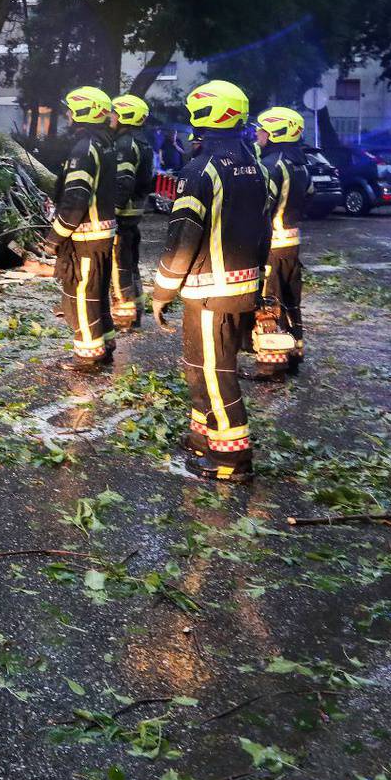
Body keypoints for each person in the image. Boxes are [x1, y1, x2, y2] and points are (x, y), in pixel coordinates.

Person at [150, 80, 272, 482]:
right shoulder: (255, 165)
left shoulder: (200, 171)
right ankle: (204, 437)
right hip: (240, 288)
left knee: (214, 374)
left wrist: (162, 289)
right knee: (203, 368)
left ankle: (231, 460)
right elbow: (265, 230)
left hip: (208, 292)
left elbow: (183, 236)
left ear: (204, 116)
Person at [47, 86, 121, 372]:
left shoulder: (85, 148)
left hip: (85, 235)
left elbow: (77, 197)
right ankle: (105, 345)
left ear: (81, 111)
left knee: (80, 295)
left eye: (71, 109)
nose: (67, 114)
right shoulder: (106, 143)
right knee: (97, 294)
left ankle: (88, 356)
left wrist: (56, 236)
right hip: (102, 234)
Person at [253, 107, 310, 375]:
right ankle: (295, 351)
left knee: (269, 300)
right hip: (291, 242)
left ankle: (272, 362)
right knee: (291, 299)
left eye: (262, 129)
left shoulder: (272, 165)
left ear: (276, 132)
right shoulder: (300, 164)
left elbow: (261, 208)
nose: (257, 134)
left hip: (272, 243)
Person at [107, 93, 155, 331]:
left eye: (114, 112)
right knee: (131, 264)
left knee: (119, 266)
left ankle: (124, 315)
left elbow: (123, 182)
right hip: (133, 215)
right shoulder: (142, 142)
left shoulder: (126, 145)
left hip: (122, 216)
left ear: (125, 115)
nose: (110, 117)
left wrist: (111, 212)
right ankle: (135, 311)